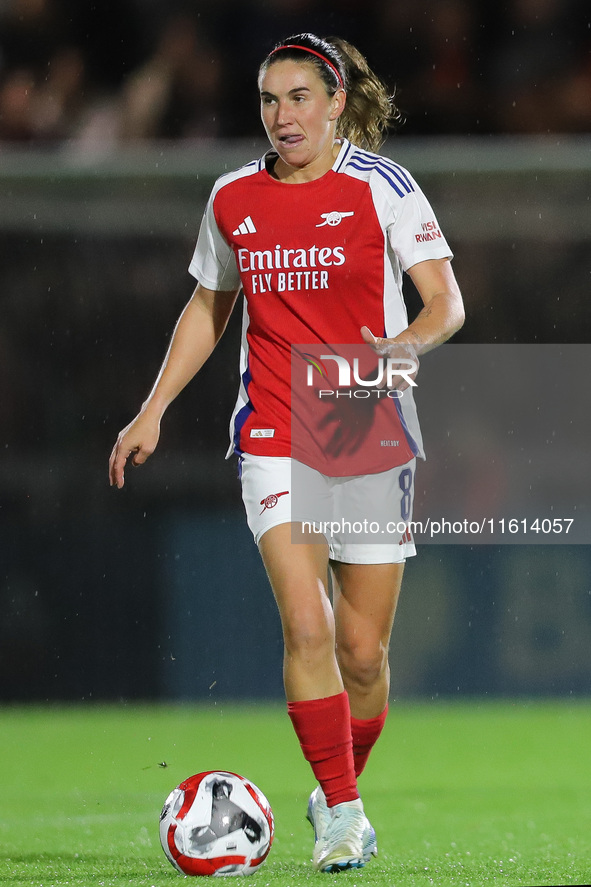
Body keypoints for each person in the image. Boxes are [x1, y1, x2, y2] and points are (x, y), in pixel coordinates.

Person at [109, 33, 465, 872]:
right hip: (274, 426)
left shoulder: (383, 186)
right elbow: (208, 305)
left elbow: (446, 303)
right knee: (306, 625)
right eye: (270, 100)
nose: (282, 116)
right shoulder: (233, 195)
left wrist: (397, 350)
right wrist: (152, 407)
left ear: (336, 102)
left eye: (299, 97)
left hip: (368, 427)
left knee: (363, 654)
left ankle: (335, 789)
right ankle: (344, 812)